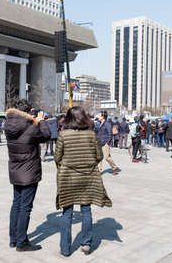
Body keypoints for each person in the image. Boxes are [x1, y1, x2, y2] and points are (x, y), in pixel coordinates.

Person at [54, 107, 112, 257]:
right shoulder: (91, 135)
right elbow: (99, 156)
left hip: (68, 177)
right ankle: (86, 243)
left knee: (67, 212)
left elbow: (57, 157)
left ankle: (65, 248)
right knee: (86, 210)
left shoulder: (63, 135)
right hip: (88, 177)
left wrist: (66, 165)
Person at [5, 99, 50, 252]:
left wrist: (34, 121)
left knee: (16, 204)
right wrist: (41, 121)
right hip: (29, 170)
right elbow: (46, 135)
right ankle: (22, 242)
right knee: (25, 207)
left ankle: (13, 238)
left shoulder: (8, 124)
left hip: (15, 168)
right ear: (28, 112)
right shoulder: (30, 127)